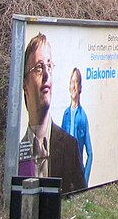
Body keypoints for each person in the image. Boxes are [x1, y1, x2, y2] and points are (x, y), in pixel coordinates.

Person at [18, 33, 87, 194]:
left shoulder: (70, 147)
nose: (47, 75)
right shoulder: (16, 152)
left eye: (49, 66)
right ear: (25, 85)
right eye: (39, 68)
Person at [61, 67, 93, 186]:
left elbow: (90, 154)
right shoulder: (66, 114)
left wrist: (84, 180)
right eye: (71, 82)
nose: (73, 86)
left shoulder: (83, 117)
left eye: (76, 82)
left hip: (77, 174)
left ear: (80, 88)